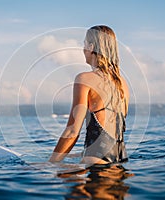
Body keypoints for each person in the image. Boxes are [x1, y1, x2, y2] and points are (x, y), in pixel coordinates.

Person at [49, 25, 129, 166]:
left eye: (84, 44)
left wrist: (50, 163)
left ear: (91, 47)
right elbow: (111, 136)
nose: (83, 49)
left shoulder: (84, 79)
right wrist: (80, 154)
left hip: (96, 162)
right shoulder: (122, 83)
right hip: (120, 161)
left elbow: (72, 131)